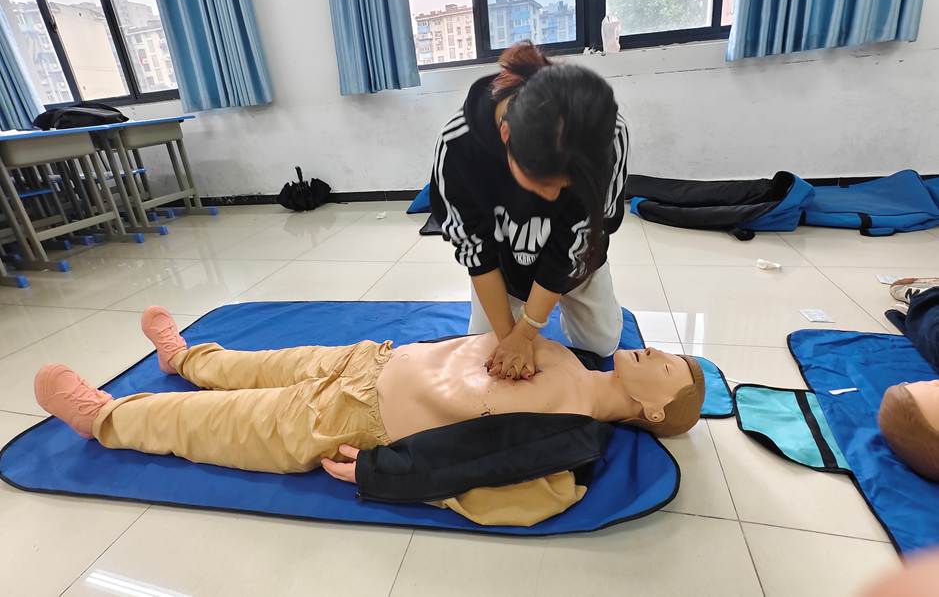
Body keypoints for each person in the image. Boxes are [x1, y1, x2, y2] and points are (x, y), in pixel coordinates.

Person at [34, 306, 705, 527]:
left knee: (226, 421)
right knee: (255, 364)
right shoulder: (564, 350)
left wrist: (385, 470)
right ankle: (185, 357)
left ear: (652, 409)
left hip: (355, 417)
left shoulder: (573, 438)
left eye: (667, 365)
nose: (654, 351)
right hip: (369, 360)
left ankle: (106, 418)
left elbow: (505, 479)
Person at [430, 41, 628, 381]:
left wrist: (526, 332)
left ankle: (569, 304)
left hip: (575, 260)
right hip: (503, 262)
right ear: (506, 134)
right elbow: (476, 251)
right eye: (543, 182)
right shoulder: (458, 145)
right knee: (483, 351)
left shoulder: (607, 136)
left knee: (602, 345)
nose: (553, 197)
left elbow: (579, 238)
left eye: (565, 185)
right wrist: (509, 338)